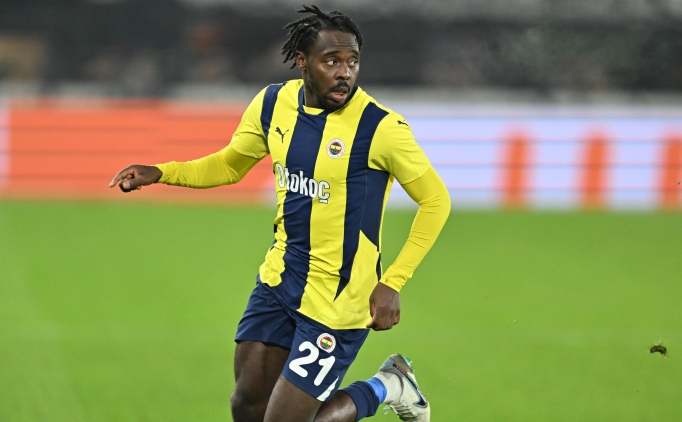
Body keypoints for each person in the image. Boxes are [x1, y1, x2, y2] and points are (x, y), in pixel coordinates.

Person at [109, 5, 450, 422]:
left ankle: (390, 385)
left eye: (352, 62)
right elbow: (230, 165)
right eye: (331, 62)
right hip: (279, 281)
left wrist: (393, 282)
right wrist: (163, 172)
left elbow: (436, 201)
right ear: (302, 61)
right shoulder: (273, 103)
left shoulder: (381, 128)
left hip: (338, 300)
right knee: (246, 406)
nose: (344, 73)